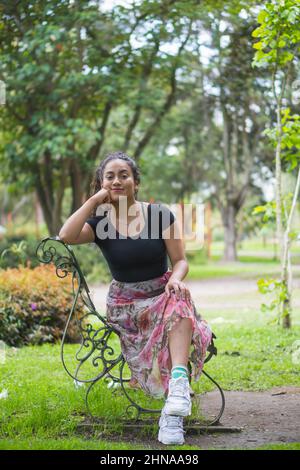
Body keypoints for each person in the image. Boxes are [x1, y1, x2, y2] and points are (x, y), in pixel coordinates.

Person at [59, 151, 212, 446]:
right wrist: (94, 201)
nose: (117, 181)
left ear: (136, 182)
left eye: (124, 175)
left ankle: (175, 401)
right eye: (110, 176)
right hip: (126, 306)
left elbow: (180, 261)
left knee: (179, 303)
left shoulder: (159, 215)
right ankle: (174, 408)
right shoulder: (99, 221)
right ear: (102, 182)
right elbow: (65, 235)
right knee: (176, 309)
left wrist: (176, 280)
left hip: (163, 293)